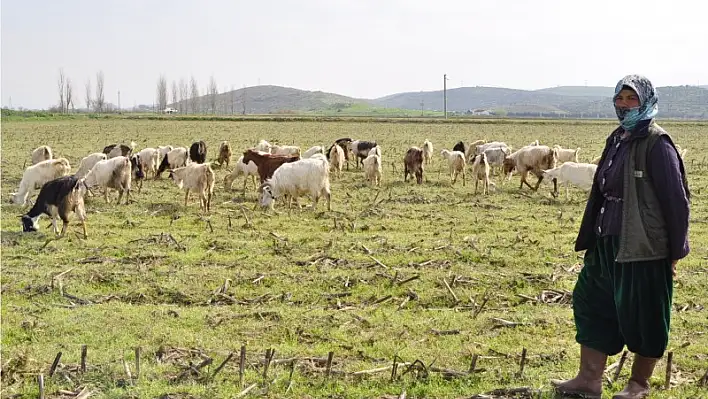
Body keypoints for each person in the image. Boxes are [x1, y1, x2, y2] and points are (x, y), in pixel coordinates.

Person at [551, 74, 690, 399]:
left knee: (645, 314)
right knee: (591, 303)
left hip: (643, 247)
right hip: (606, 243)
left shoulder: (658, 144)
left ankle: (637, 385)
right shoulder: (617, 138)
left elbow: (676, 202)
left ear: (646, 102)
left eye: (632, 99)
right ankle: (588, 380)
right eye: (621, 98)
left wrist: (673, 254)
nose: (625, 104)